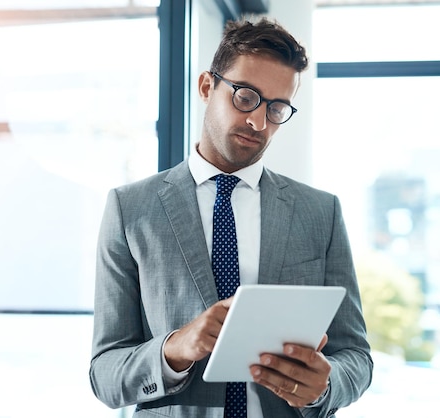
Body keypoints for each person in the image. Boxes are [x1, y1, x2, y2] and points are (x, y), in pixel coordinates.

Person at [90, 17, 372, 418]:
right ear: (207, 87)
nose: (258, 121)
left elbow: (355, 357)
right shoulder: (130, 209)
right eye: (245, 97)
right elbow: (104, 374)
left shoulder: (320, 212)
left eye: (276, 108)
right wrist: (176, 348)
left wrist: (324, 386)